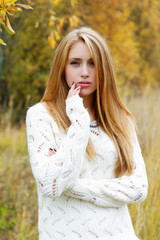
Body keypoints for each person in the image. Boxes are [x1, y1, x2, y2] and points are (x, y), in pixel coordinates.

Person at [26, 27, 148, 240]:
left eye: (93, 63)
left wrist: (74, 186)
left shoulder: (120, 120)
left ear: (104, 69)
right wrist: (79, 123)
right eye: (75, 63)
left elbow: (138, 188)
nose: (84, 72)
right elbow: (52, 184)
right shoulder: (41, 116)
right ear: (62, 67)